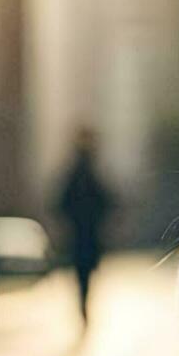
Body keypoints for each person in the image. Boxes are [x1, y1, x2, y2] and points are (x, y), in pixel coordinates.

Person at [55, 128, 113, 325]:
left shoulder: (82, 171)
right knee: (84, 273)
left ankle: (83, 304)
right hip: (83, 234)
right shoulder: (82, 172)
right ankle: (83, 305)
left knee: (84, 273)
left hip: (84, 233)